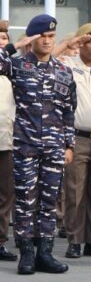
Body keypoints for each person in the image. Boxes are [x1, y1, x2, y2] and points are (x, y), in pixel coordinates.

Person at [0, 14, 77, 274]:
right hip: (26, 147)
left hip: (54, 148)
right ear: (32, 38)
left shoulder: (64, 71)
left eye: (51, 36)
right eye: (41, 36)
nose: (46, 41)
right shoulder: (17, 65)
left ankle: (45, 253)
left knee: (49, 202)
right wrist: (15, 46)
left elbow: (68, 111)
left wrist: (69, 145)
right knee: (25, 201)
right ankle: (26, 255)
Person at [57, 24, 91, 260]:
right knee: (74, 192)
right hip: (77, 137)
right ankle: (75, 240)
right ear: (80, 43)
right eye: (89, 41)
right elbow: (47, 60)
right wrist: (69, 43)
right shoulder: (69, 65)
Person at [0, 21, 16, 262]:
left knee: (5, 194)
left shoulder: (14, 69)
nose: (1, 43)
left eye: (4, 38)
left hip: (6, 140)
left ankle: (0, 241)